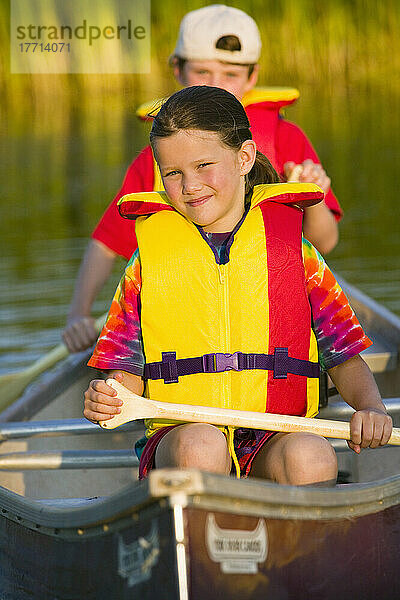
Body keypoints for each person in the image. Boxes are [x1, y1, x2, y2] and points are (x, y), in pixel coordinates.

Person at [83, 86, 392, 487]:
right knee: (202, 446)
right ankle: (199, 542)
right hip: (182, 434)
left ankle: (299, 548)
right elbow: (124, 368)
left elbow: (344, 352)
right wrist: (110, 396)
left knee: (311, 455)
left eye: (203, 166)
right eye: (172, 173)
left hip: (274, 430)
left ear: (244, 158)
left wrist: (371, 407)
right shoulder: (146, 262)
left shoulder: (297, 253)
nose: (189, 186)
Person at [63, 5, 343, 354]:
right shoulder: (160, 157)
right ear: (178, 70)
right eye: (202, 71)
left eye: (230, 74)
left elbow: (324, 242)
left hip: (270, 317)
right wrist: (78, 313)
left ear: (252, 76)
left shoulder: (287, 139)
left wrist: (316, 196)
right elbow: (108, 241)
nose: (216, 85)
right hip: (189, 320)